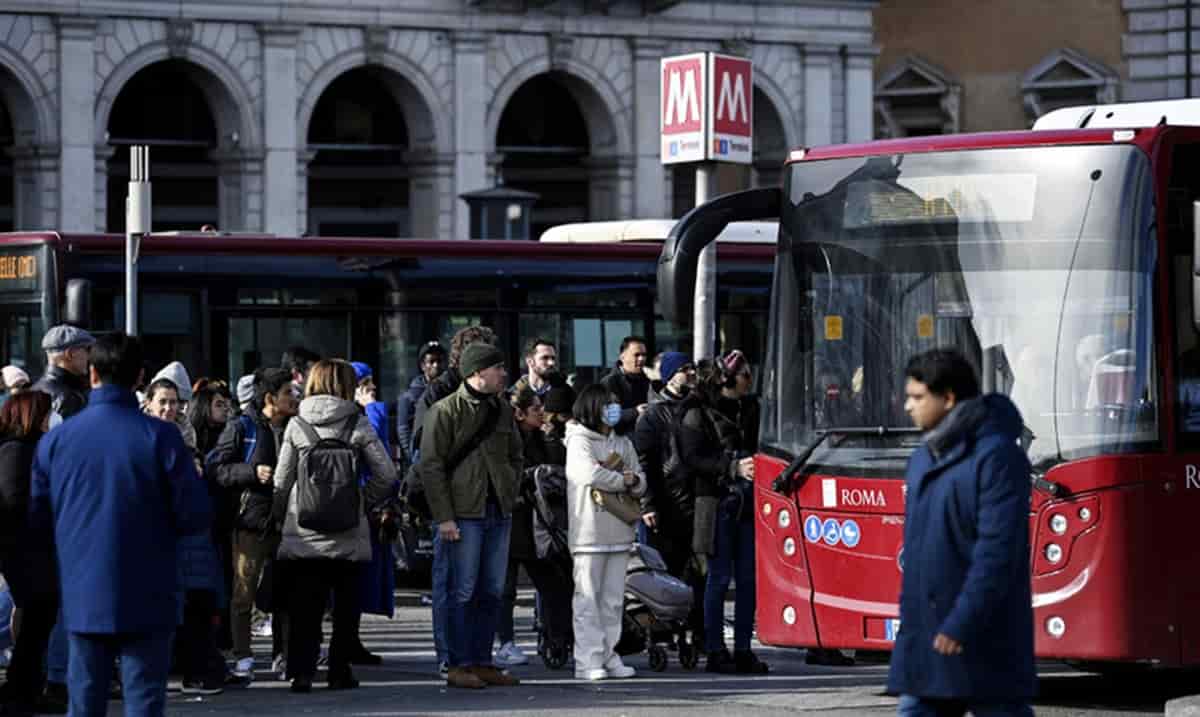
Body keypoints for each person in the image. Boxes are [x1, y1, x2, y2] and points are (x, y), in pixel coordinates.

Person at [29, 331, 213, 716]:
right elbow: (194, 514)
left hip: (82, 588)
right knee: (144, 699)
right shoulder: (162, 437)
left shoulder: (58, 441)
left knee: (85, 700)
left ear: (92, 374)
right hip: (150, 588)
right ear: (140, 378)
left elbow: (38, 518)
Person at [887, 349, 1035, 717]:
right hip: (927, 641)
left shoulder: (998, 456)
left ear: (949, 397)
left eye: (918, 397)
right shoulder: (923, 456)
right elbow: (918, 553)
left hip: (983, 637)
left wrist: (961, 622)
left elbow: (997, 554)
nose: (908, 406)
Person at [271, 359, 397, 693]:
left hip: (304, 531)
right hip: (347, 529)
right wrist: (361, 501)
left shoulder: (297, 424)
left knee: (304, 608)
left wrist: (280, 515)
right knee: (346, 607)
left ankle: (301, 672)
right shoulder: (356, 422)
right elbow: (387, 474)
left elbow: (282, 481)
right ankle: (339, 671)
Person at [419, 343, 523, 690]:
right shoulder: (444, 411)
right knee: (459, 591)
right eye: (497, 368)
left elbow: (516, 456)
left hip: (497, 510)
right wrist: (444, 517)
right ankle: (456, 663)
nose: (503, 374)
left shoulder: (503, 410)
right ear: (477, 372)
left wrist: (509, 489)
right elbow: (430, 468)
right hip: (462, 513)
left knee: (491, 591)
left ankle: (482, 660)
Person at [411, 325, 496, 676]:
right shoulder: (438, 393)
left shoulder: (493, 395)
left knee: (481, 584)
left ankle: (476, 655)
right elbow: (424, 450)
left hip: (485, 498)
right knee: (450, 582)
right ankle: (449, 655)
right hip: (452, 500)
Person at [208, 368, 297, 682]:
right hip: (250, 522)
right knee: (243, 592)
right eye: (288, 392)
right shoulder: (242, 426)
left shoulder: (295, 427)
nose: (294, 397)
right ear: (271, 398)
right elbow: (216, 467)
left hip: (288, 521)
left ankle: (284, 654)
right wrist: (250, 472)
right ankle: (243, 656)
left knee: (285, 592)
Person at [144, 378, 231, 695]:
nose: (169, 408)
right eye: (162, 402)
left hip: (187, 532)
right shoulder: (141, 431)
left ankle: (197, 667)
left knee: (197, 599)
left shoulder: (185, 432)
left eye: (173, 402)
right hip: (154, 531)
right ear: (149, 403)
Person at [688, 352, 768, 675]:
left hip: (749, 503)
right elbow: (692, 458)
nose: (750, 381)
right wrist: (732, 467)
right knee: (718, 579)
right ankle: (716, 649)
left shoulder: (752, 408)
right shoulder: (698, 413)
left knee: (748, 579)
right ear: (730, 379)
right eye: (746, 375)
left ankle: (744, 649)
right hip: (717, 503)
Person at [565, 384, 646, 681]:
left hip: (619, 532)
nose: (613, 409)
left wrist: (634, 480)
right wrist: (623, 480)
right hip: (589, 534)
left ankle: (610, 655)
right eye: (607, 404)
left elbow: (640, 476)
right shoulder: (578, 441)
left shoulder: (622, 441)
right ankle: (587, 660)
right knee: (587, 599)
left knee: (612, 601)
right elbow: (587, 474)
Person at [494, 386, 571, 668]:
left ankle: (557, 638)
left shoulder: (543, 438)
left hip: (539, 523)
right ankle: (505, 641)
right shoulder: (505, 439)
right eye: (536, 409)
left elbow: (558, 467)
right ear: (518, 413)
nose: (542, 414)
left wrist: (551, 438)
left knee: (554, 584)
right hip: (513, 519)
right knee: (505, 587)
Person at [0, 392, 57, 715]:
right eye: (47, 414)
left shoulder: (29, 449)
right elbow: (14, 502)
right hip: (25, 550)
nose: (52, 420)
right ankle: (19, 691)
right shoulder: (16, 451)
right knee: (35, 617)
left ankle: (27, 688)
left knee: (39, 619)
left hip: (33, 548)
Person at [349, 361, 398, 664]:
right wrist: (373, 409)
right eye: (363, 383)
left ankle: (351, 639)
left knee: (362, 578)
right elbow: (375, 448)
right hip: (356, 503)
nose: (371, 388)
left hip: (372, 503)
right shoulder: (359, 414)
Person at [634, 351, 695, 549]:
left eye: (692, 367)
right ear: (669, 377)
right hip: (667, 501)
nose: (691, 372)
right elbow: (645, 461)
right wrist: (648, 504)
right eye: (684, 369)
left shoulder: (698, 407)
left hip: (696, 500)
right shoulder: (653, 414)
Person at [32, 324, 95, 425]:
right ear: (70, 354)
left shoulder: (35, 389)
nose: (90, 356)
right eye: (88, 350)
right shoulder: (67, 398)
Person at [396, 341, 445, 466]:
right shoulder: (409, 397)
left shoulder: (450, 392)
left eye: (440, 361)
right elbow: (404, 433)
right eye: (431, 361)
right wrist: (413, 461)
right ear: (423, 366)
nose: (436, 365)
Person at [600, 336, 651, 435]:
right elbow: (606, 416)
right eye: (636, 355)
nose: (641, 359)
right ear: (622, 357)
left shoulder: (648, 380)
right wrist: (635, 412)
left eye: (644, 355)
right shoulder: (610, 382)